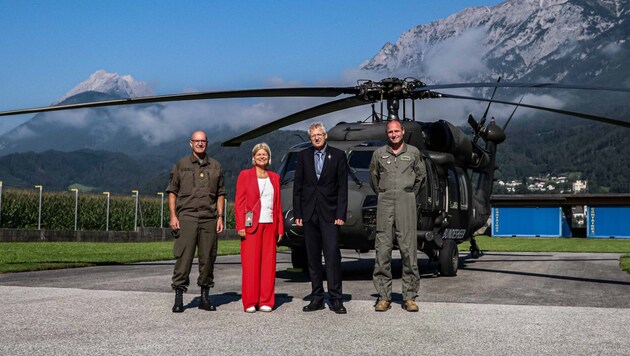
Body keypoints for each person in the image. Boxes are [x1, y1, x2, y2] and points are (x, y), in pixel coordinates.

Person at [369, 120, 426, 312]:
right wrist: (385, 193)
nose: (393, 134)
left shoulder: (413, 153)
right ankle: (384, 296)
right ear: (387, 134)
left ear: (403, 131)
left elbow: (420, 177)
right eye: (390, 132)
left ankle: (409, 296)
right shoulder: (379, 154)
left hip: (406, 201)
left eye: (396, 131)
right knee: (382, 249)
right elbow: (374, 179)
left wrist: (407, 193)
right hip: (385, 202)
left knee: (408, 248)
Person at [166, 130, 226, 313]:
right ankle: (179, 297)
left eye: (203, 141)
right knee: (184, 258)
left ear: (207, 143)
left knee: (208, 258)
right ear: (190, 143)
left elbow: (221, 194)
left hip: (209, 218)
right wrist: (173, 215)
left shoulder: (215, 166)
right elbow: (172, 192)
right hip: (187, 217)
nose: (200, 144)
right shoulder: (181, 165)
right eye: (197, 141)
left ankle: (204, 298)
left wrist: (220, 217)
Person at [293, 122, 348, 314]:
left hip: (330, 214)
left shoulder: (338, 156)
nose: (316, 138)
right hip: (309, 213)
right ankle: (317, 296)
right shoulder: (303, 156)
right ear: (310, 138)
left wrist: (341, 213)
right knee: (313, 257)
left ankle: (336, 298)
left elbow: (342, 187)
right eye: (313, 135)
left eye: (319, 134)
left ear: (325, 136)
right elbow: (298, 187)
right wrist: (298, 213)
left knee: (332, 256)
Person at [235, 143, 284, 313]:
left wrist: (280, 228)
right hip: (251, 226)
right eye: (259, 154)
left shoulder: (275, 178)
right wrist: (241, 225)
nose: (262, 157)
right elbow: (239, 203)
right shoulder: (245, 175)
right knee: (251, 264)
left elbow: (277, 205)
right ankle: (250, 301)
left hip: (270, 225)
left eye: (265, 154)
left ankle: (266, 301)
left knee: (268, 265)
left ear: (269, 158)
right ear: (253, 157)